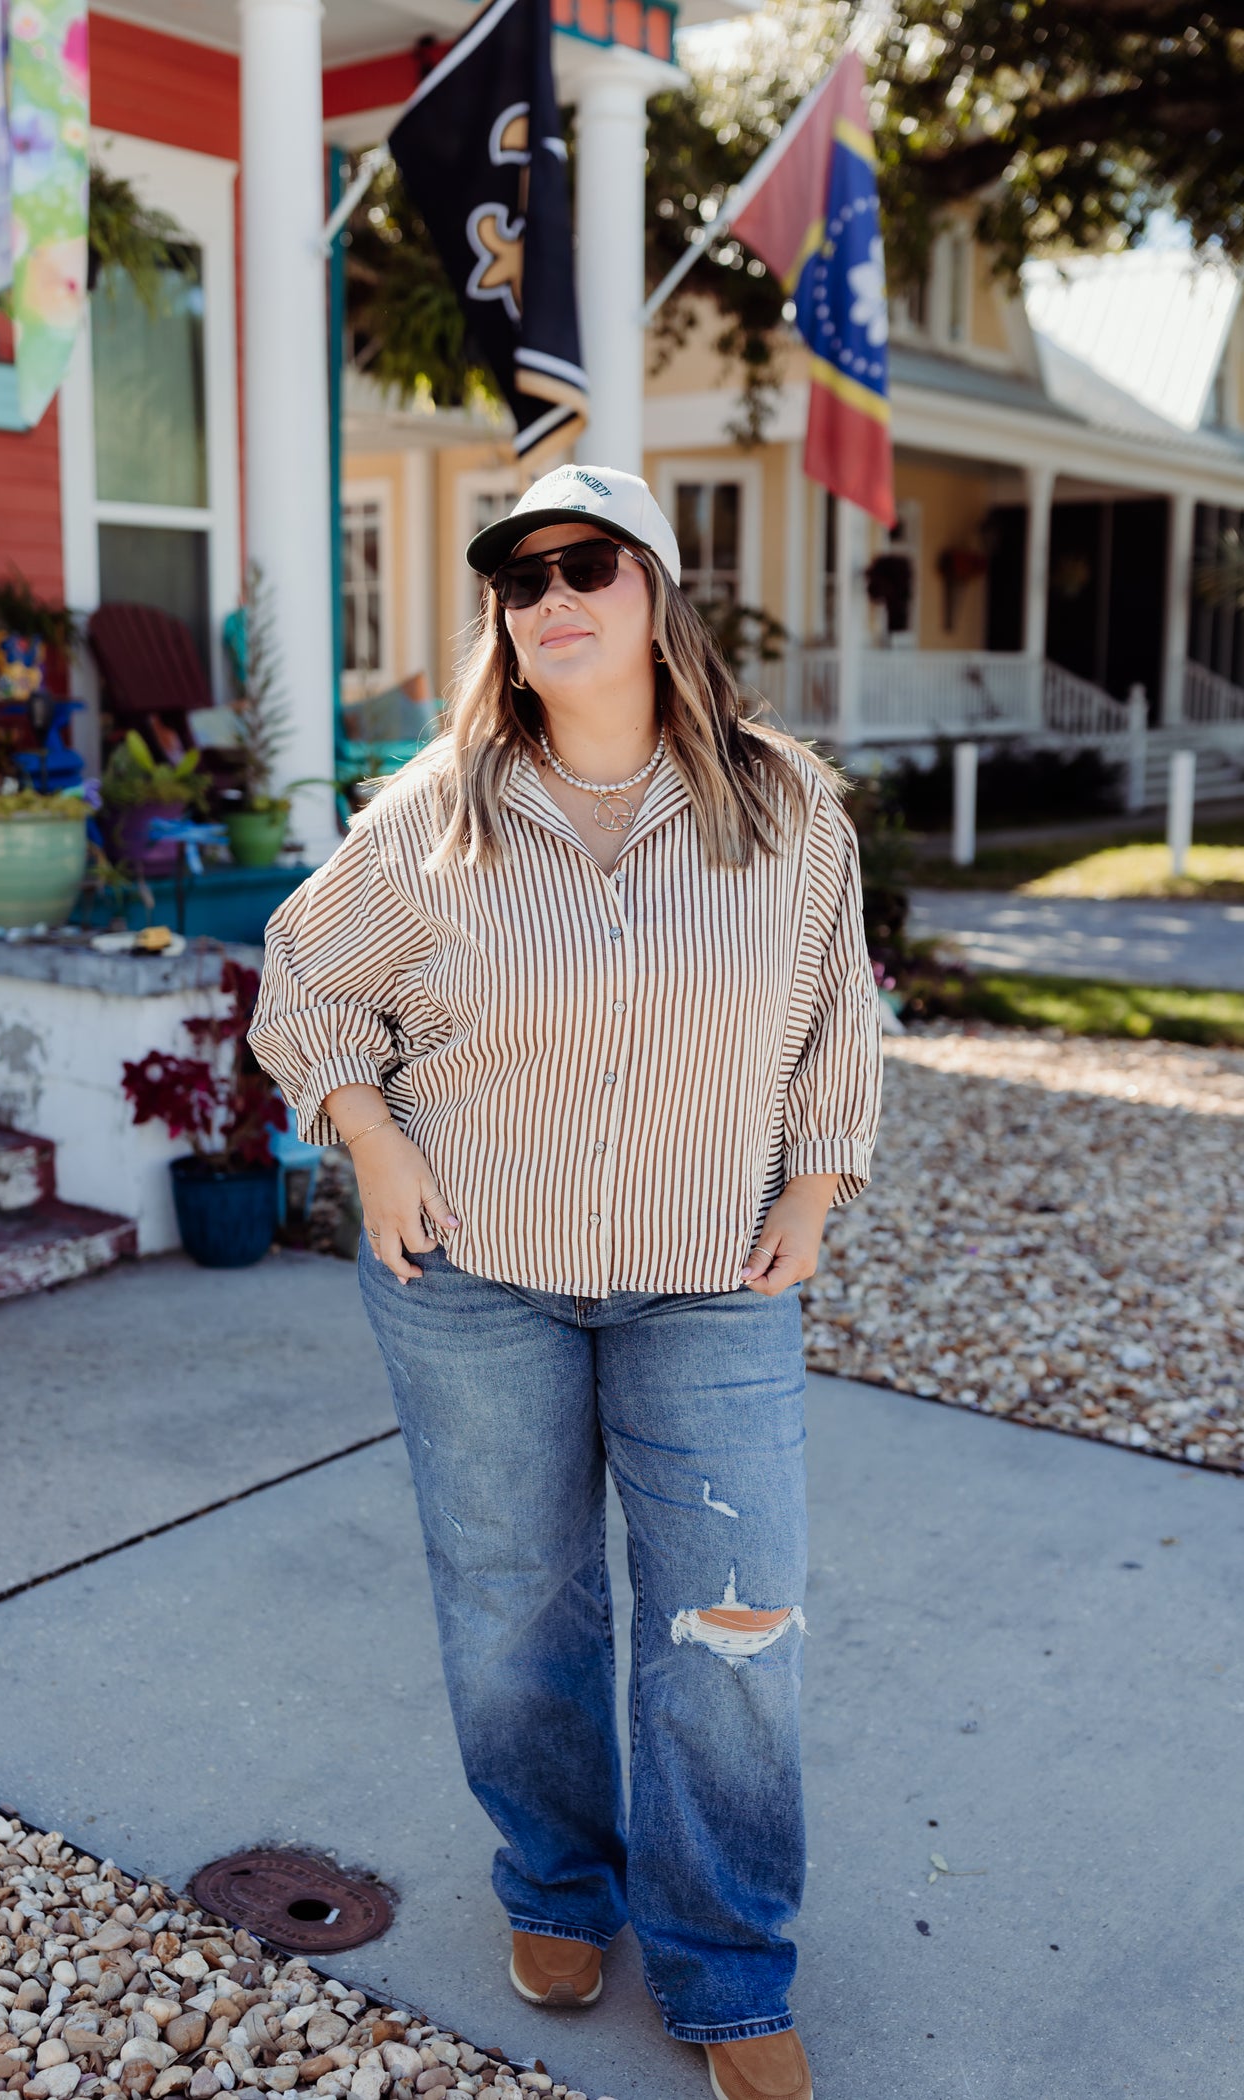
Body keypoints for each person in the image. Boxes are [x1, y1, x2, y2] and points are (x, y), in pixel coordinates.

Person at [248, 464, 882, 2100]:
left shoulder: (786, 805)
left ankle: (727, 1966)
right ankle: (555, 1887)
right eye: (521, 580)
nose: (553, 596)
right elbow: (306, 988)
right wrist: (372, 1146)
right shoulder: (438, 812)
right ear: (505, 627)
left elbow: (834, 1020)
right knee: (516, 1609)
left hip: (708, 1277)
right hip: (475, 1279)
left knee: (733, 1629)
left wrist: (816, 1186)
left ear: (660, 588)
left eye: (587, 562)